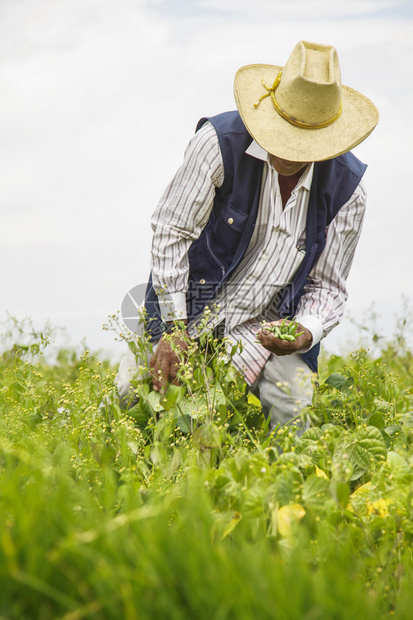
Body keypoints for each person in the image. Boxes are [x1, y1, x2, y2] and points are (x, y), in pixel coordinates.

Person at [116, 40, 379, 433]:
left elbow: (328, 286)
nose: (287, 150)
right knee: (131, 395)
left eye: (303, 142)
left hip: (266, 324)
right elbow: (171, 232)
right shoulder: (218, 144)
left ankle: (271, 483)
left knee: (295, 405)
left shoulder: (346, 192)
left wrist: (304, 331)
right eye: (282, 133)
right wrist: (173, 329)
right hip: (188, 308)